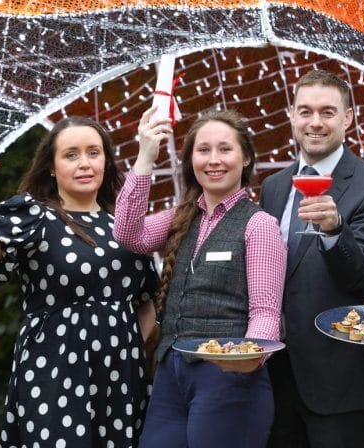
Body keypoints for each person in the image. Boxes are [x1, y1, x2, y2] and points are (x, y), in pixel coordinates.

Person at [0, 116, 159, 448]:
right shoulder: (37, 216)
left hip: (121, 377)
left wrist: (125, 345)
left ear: (106, 161)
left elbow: (148, 300)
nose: (84, 163)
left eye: (93, 153)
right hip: (55, 371)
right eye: (71, 155)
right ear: (51, 167)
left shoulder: (125, 225)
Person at [113, 107, 287, 448]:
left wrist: (245, 359)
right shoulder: (180, 217)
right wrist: (145, 157)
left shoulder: (259, 225)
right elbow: (127, 234)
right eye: (203, 150)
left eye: (225, 149)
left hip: (229, 378)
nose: (214, 160)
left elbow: (266, 312)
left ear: (246, 158)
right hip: (171, 373)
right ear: (191, 159)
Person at [259, 69, 364, 448]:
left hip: (341, 382)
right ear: (292, 115)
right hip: (276, 377)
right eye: (305, 111)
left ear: (348, 118)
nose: (315, 122)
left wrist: (336, 229)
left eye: (327, 112)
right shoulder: (274, 187)